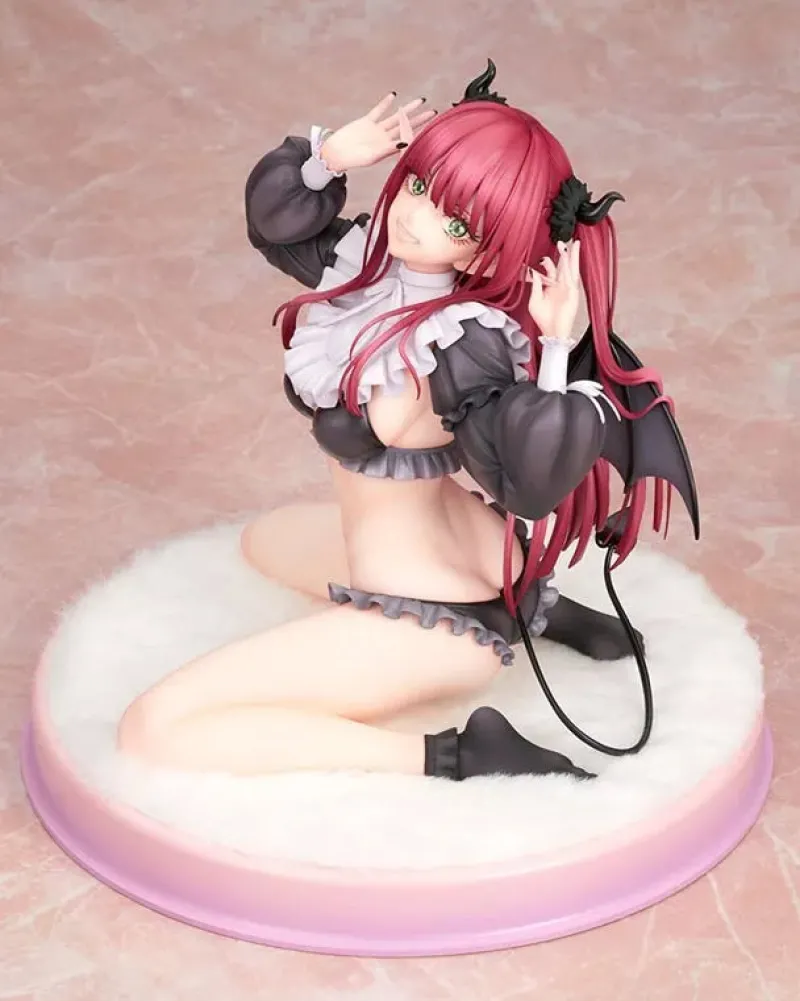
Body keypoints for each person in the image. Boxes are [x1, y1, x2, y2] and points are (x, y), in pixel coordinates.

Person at [118, 64, 686, 782]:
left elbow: (526, 481)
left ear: (486, 248)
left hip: (430, 616)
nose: (414, 216)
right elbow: (277, 230)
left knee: (153, 729)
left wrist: (551, 349)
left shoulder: (463, 339)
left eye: (455, 220)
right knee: (262, 541)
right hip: (464, 556)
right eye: (419, 185)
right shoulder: (367, 274)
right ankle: (537, 603)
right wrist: (326, 160)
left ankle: (463, 752)